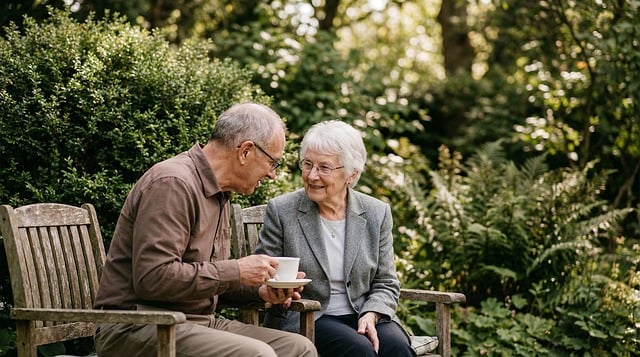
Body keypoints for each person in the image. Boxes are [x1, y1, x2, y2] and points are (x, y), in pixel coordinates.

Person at [93, 102, 317, 357]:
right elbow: (153, 279)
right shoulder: (173, 184)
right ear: (245, 151)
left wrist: (260, 290)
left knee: (299, 349)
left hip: (195, 322)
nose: (271, 175)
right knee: (257, 355)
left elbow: (205, 278)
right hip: (137, 326)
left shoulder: (219, 193)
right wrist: (237, 270)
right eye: (272, 163)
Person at [254, 120, 415, 357]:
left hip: (364, 313)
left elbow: (386, 282)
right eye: (307, 164)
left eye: (324, 168)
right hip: (309, 316)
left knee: (396, 348)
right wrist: (280, 289)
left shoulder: (376, 213)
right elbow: (264, 271)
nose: (312, 175)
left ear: (351, 174)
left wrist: (371, 314)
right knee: (359, 350)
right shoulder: (283, 210)